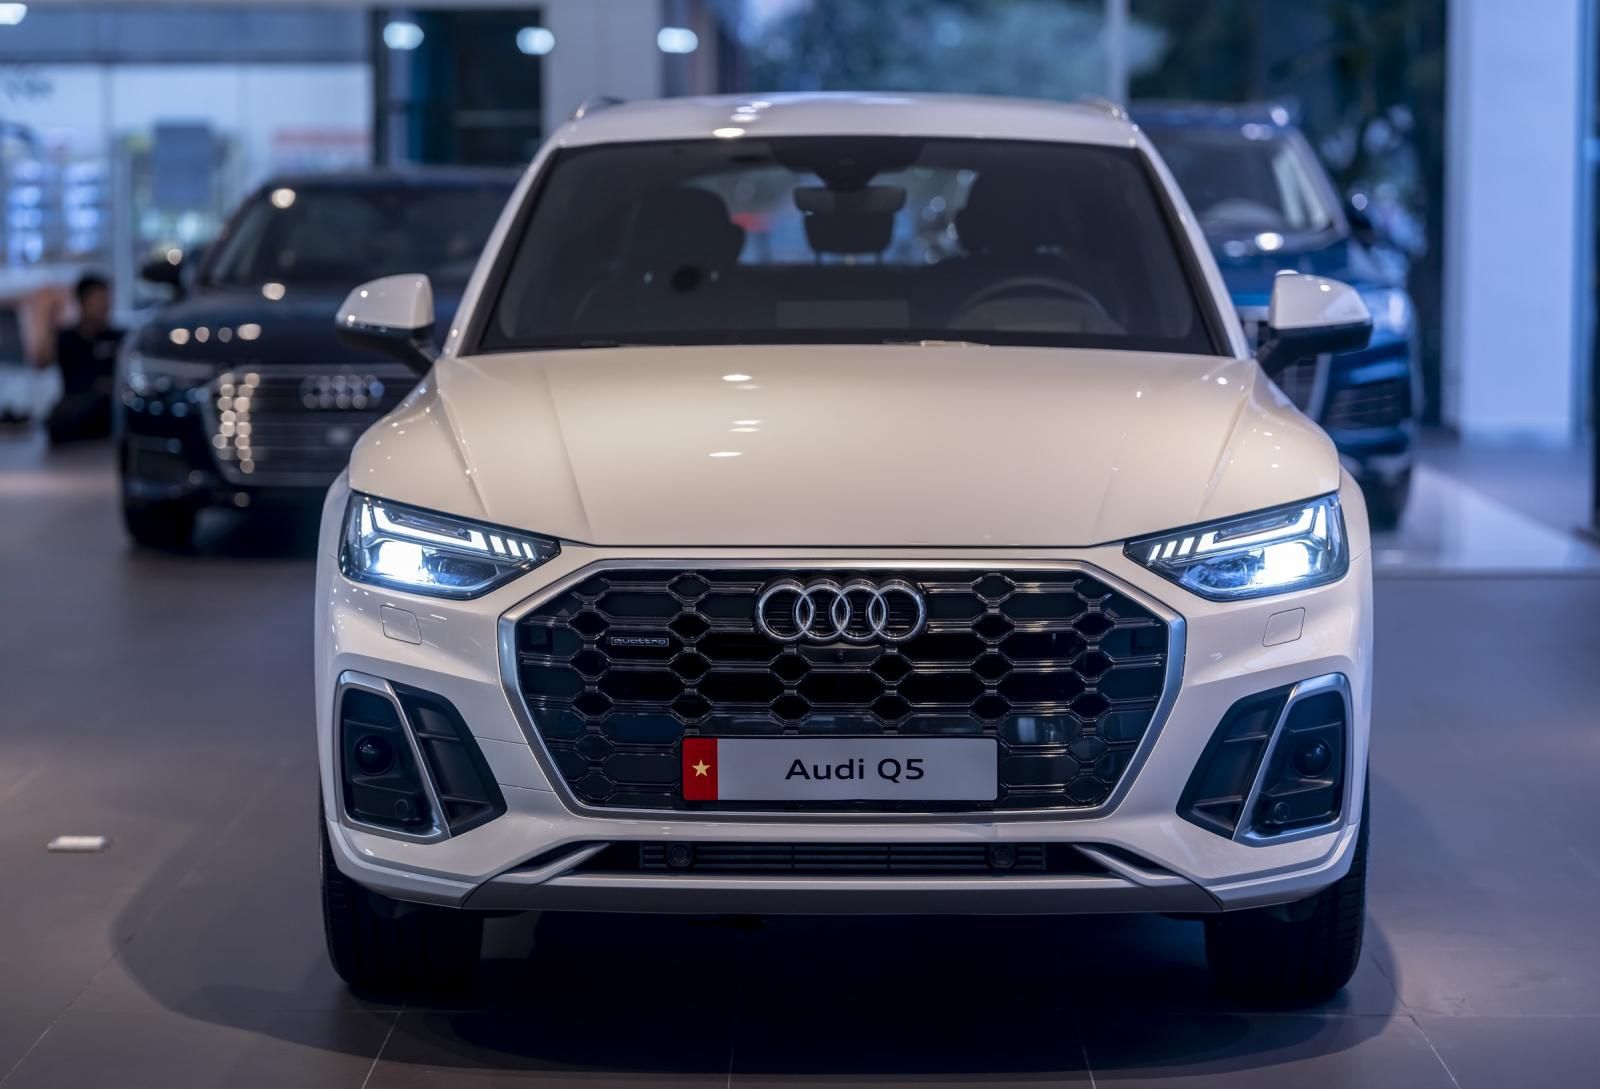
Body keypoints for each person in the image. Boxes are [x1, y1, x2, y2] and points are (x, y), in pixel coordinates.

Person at [43, 272, 123, 444]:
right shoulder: (66, 338)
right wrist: (49, 321)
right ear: (81, 301)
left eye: (106, 299)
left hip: (109, 411)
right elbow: (41, 362)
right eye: (98, 299)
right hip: (75, 410)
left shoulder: (118, 337)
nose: (104, 305)